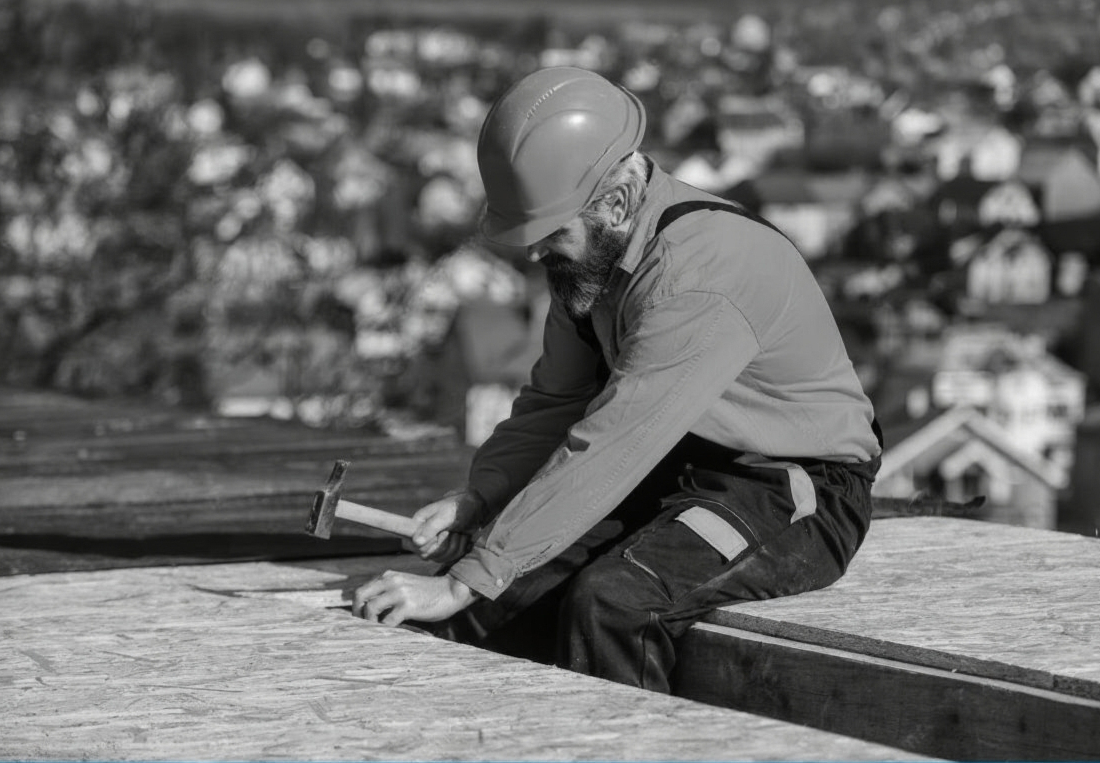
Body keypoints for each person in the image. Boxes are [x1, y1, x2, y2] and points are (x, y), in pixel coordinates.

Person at [354, 66, 882, 693]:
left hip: (788, 487)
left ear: (618, 202)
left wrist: (465, 577)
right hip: (679, 470)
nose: (534, 252)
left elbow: (613, 441)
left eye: (550, 232)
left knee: (613, 604)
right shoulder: (592, 265)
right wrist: (481, 500)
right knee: (494, 604)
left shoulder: (700, 276)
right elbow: (557, 403)